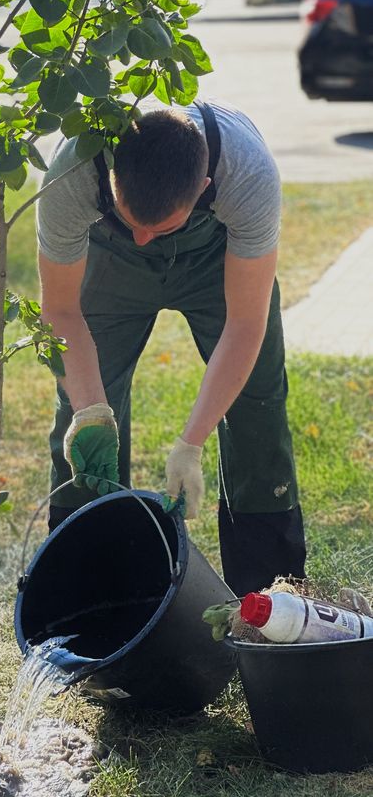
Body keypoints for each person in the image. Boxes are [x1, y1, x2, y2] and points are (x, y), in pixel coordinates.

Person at [36, 99, 307, 596]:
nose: (143, 239)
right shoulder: (73, 172)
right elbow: (60, 313)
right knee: (81, 416)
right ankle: (92, 594)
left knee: (258, 405)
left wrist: (191, 443)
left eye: (158, 229)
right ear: (113, 174)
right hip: (105, 255)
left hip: (216, 253)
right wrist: (92, 411)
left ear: (203, 187)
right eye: (131, 217)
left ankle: (268, 597)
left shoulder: (246, 172)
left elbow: (247, 324)